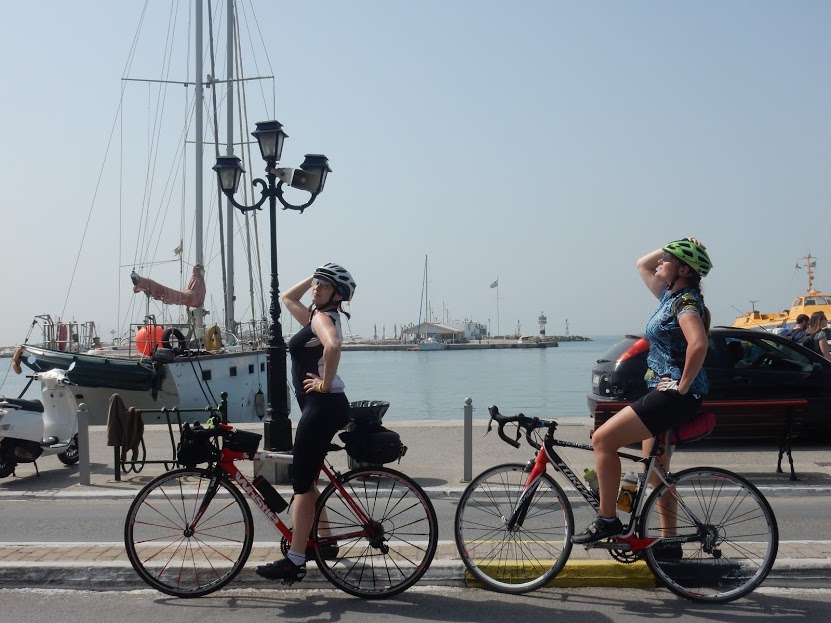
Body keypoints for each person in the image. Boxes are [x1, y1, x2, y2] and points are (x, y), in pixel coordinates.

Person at [573, 238, 712, 547]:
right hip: (665, 392)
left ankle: (607, 520)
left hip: (673, 395)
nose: (660, 263)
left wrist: (682, 385)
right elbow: (642, 264)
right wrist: (675, 246)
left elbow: (698, 343)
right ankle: (669, 544)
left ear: (683, 270)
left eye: (668, 260)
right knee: (656, 473)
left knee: (603, 440)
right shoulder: (669, 296)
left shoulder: (685, 303)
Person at [256, 262, 357, 583]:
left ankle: (295, 560)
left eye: (324, 286)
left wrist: (324, 384)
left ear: (338, 295)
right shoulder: (316, 316)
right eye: (316, 284)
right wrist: (316, 276)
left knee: (301, 484)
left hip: (322, 406)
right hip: (322, 407)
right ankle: (324, 542)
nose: (316, 288)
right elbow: (288, 298)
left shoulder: (324, 319)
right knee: (310, 478)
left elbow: (334, 345)